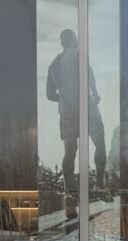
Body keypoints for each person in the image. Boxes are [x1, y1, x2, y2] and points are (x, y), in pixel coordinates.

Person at [46, 29, 107, 194]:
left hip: (67, 112)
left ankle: (70, 192)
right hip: (87, 107)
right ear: (73, 40)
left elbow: (49, 95)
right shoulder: (80, 55)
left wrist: (64, 98)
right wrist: (95, 93)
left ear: (62, 43)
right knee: (100, 142)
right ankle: (99, 184)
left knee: (69, 151)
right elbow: (89, 75)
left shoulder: (54, 65)